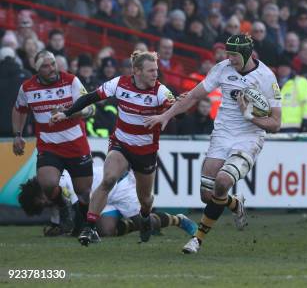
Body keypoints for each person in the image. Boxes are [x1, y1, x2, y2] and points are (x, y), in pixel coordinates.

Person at [143, 34, 282, 254]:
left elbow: (275, 124)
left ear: (246, 53)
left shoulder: (266, 77)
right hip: (222, 135)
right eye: (228, 54)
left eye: (233, 55)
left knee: (222, 182)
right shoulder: (222, 68)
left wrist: (250, 117)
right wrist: (166, 116)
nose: (229, 58)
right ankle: (236, 204)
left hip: (248, 138)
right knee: (207, 195)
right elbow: (193, 96)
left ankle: (197, 239)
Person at [51, 50, 175, 246]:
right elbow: (90, 98)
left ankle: (144, 217)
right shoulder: (119, 83)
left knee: (145, 199)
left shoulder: (160, 91)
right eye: (151, 70)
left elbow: (178, 112)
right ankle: (89, 227)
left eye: (156, 70)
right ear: (137, 71)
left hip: (145, 151)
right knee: (108, 180)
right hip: (121, 144)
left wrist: (167, 114)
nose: (155, 74)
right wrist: (67, 113)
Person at [12, 51, 95, 234]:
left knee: (83, 191)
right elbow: (19, 110)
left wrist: (68, 112)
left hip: (75, 143)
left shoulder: (71, 81)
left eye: (53, 64)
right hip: (49, 146)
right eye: (46, 66)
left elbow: (91, 108)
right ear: (37, 70)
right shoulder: (28, 88)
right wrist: (18, 135)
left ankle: (85, 225)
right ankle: (63, 207)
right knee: (47, 183)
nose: (51, 68)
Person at [18, 165, 197, 238]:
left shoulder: (61, 182)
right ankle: (127, 220)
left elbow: (75, 218)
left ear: (41, 190)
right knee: (106, 231)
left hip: (118, 187)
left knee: (146, 224)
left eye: (41, 199)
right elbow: (61, 223)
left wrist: (69, 231)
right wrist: (54, 231)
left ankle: (178, 219)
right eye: (40, 204)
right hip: (101, 198)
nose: (44, 202)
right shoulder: (54, 198)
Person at [277, 56, 307, 132]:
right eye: (281, 66)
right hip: (275, 126)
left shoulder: (302, 82)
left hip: (294, 126)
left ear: (290, 69)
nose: (283, 69)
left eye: (286, 67)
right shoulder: (273, 83)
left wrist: (306, 120)